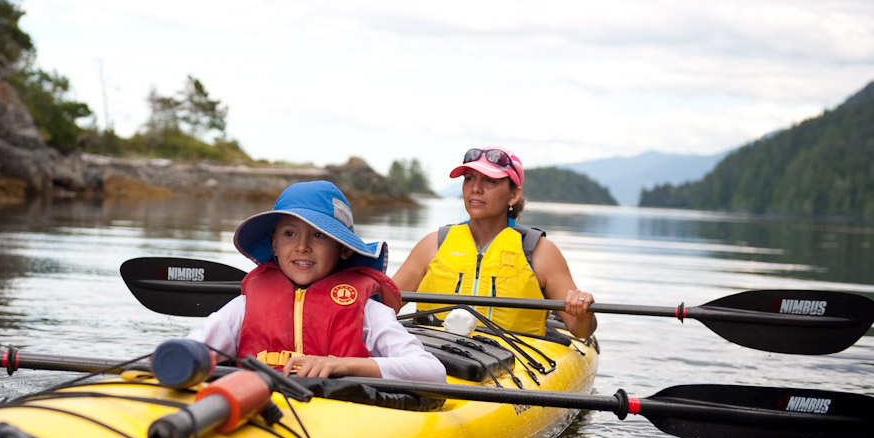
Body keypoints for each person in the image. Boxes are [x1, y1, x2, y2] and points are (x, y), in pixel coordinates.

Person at [187, 180, 446, 383]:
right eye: (290, 233)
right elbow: (190, 349)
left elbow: (432, 371)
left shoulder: (369, 312)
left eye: (318, 235)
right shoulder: (243, 307)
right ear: (275, 245)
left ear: (343, 249)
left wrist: (342, 365)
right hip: (254, 405)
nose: (302, 247)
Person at [392, 146, 597, 340]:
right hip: (432, 354)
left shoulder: (541, 252)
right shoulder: (432, 244)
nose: (475, 189)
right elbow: (384, 305)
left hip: (516, 364)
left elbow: (580, 331)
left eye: (489, 180)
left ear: (513, 195)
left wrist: (582, 312)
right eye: (469, 179)